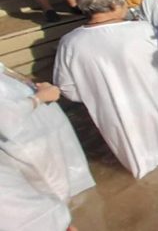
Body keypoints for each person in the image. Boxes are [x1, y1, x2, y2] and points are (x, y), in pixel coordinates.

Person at [52, 0, 158, 179]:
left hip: (118, 119)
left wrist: (99, 93)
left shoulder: (70, 43)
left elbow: (68, 89)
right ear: (116, 4)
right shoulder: (144, 30)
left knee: (148, 169)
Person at [1, 62, 95, 231]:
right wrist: (38, 98)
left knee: (72, 198)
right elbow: (5, 118)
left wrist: (37, 88)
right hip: (31, 150)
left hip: (47, 140)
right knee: (53, 201)